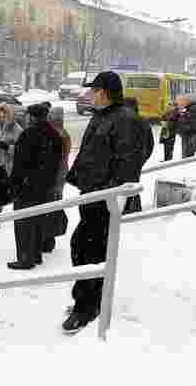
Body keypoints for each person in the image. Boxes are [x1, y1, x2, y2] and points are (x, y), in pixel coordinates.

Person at [64, 71, 141, 333]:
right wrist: (75, 175)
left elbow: (129, 162)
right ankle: (86, 299)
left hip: (104, 200)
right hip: (91, 195)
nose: (90, 95)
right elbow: (90, 152)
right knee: (82, 247)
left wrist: (109, 192)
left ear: (106, 92)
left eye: (94, 90)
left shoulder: (124, 119)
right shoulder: (102, 116)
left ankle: (86, 306)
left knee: (90, 250)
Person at [8, 103, 63, 269]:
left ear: (31, 117)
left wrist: (15, 185)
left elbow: (19, 164)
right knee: (39, 221)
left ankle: (26, 258)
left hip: (27, 187)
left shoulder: (28, 134)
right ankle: (36, 254)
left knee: (24, 224)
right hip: (46, 186)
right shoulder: (55, 135)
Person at [43, 106, 71, 253]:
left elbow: (60, 161)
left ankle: (48, 240)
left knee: (50, 210)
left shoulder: (58, 135)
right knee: (53, 209)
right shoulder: (63, 133)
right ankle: (49, 239)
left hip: (55, 178)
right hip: (58, 177)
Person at [123, 97, 154, 214]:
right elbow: (150, 144)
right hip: (137, 160)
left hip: (123, 161)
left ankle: (127, 210)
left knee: (124, 187)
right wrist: (142, 159)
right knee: (133, 184)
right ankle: (135, 209)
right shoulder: (143, 121)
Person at [164, 94, 196, 159]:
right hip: (186, 132)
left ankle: (186, 160)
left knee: (187, 149)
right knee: (187, 148)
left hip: (187, 132)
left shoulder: (188, 110)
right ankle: (186, 159)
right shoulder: (184, 110)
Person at [0, 103, 23, 177]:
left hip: (12, 168)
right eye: (0, 117)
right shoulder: (2, 129)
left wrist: (8, 147)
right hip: (2, 166)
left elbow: (21, 150)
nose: (2, 119)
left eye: (4, 117)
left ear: (9, 116)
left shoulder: (17, 129)